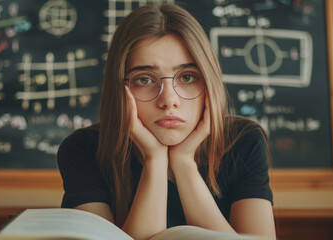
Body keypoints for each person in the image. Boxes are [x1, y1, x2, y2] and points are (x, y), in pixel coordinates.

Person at [57, 3, 276, 240]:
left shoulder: (244, 141)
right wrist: (155, 160)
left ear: (208, 85)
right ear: (119, 89)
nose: (169, 100)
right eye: (144, 80)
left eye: (188, 77)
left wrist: (183, 163)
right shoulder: (83, 150)